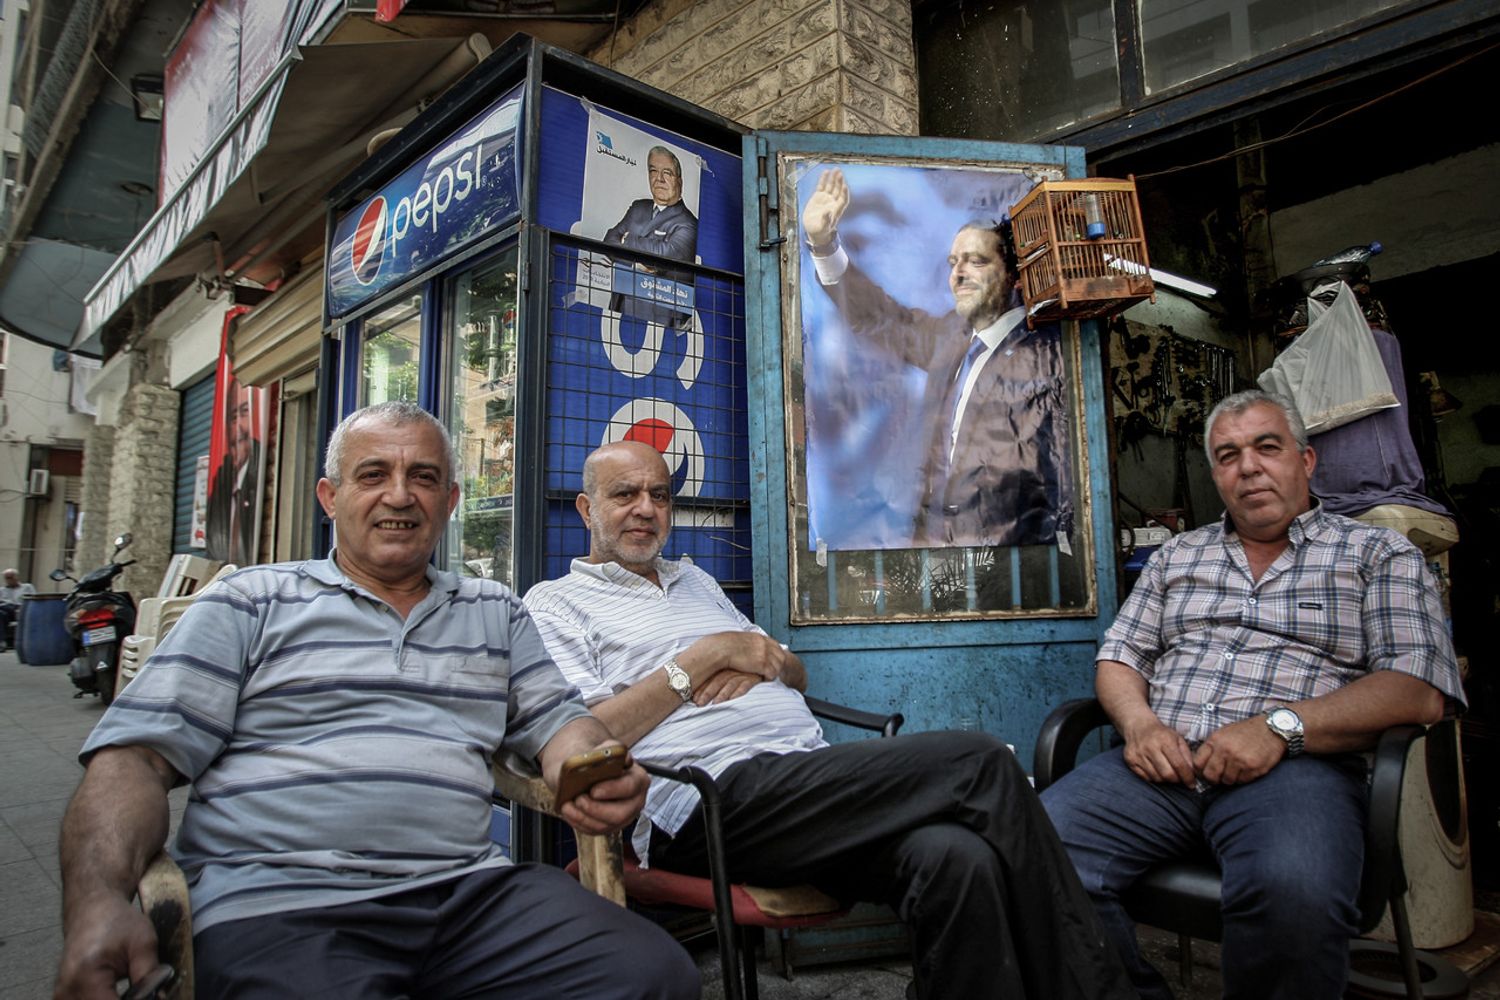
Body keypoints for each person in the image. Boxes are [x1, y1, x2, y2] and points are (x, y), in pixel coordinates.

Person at [54, 403, 696, 1000]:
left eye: (422, 477)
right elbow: (132, 760)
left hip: (468, 894)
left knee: (655, 976)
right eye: (373, 474)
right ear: (330, 497)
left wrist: (591, 768)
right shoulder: (252, 602)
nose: (399, 495)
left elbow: (559, 724)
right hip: (280, 903)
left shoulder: (492, 609)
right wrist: (97, 904)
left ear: (449, 502)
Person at [523, 439, 1137, 1000]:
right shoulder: (555, 604)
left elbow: (792, 671)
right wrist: (704, 659)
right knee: (982, 765)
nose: (645, 509)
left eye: (659, 495)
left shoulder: (696, 582)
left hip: (803, 781)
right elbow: (593, 732)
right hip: (704, 801)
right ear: (585, 508)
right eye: (624, 494)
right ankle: (1103, 991)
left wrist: (758, 658)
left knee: (954, 858)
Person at [1039, 389, 1466, 1000]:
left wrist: (1279, 727)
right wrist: (1139, 725)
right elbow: (1120, 656)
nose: (1249, 467)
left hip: (1299, 773)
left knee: (1295, 893)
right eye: (1228, 455)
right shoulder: (1177, 555)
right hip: (1162, 763)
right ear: (1216, 474)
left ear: (1305, 461)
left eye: (1268, 447)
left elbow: (1418, 689)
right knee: (1033, 851)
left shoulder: (1377, 552)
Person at [800, 166, 1072, 549]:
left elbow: (1062, 473)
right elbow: (879, 315)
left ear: (1013, 274)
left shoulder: (1045, 351)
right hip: (935, 559)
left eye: (976, 261)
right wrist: (823, 242)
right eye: (953, 263)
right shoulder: (951, 338)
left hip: (1012, 568)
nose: (958, 274)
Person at [603, 146, 699, 326]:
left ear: (679, 180)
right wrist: (638, 263)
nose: (659, 179)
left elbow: (664, 255)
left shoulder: (689, 223)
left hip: (662, 320)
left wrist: (627, 241)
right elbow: (609, 241)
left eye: (667, 173)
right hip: (621, 308)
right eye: (653, 171)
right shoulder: (638, 207)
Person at [204, 380, 260, 564]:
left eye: (245, 413)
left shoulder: (263, 475)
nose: (237, 428)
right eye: (232, 417)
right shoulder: (221, 482)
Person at [0, 567, 36, 652]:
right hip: (7, 612)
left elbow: (34, 599)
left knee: (6, 607)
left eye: (11, 577)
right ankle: (1, 642)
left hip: (21, 609)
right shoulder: (2, 590)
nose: (9, 580)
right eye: (7, 578)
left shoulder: (27, 587)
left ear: (16, 577)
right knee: (1, 613)